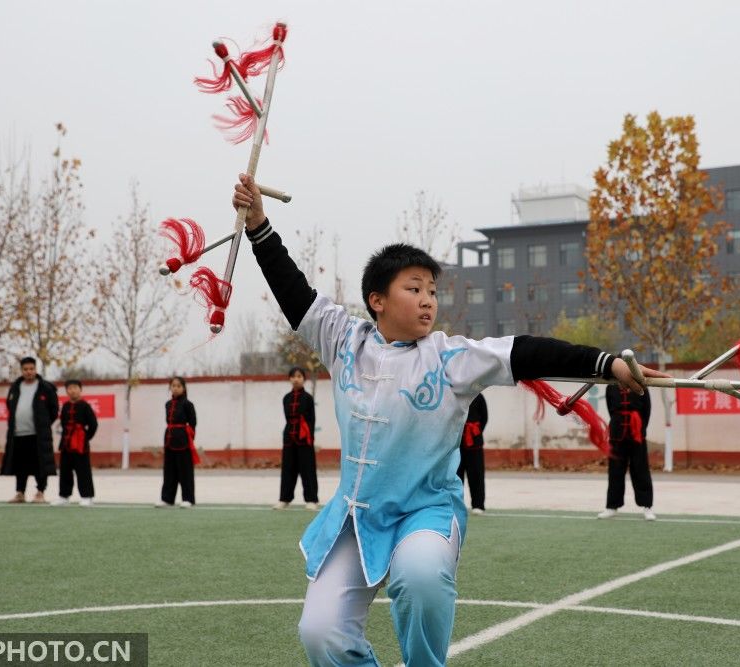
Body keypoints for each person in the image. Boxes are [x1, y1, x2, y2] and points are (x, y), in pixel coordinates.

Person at [232, 173, 665, 666]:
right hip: (357, 517)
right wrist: (259, 226)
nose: (428, 300)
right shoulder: (343, 340)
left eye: (432, 291)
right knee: (320, 631)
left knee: (419, 578)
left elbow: (527, 351)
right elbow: (293, 292)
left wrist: (606, 364)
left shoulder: (451, 357)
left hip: (426, 513)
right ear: (377, 300)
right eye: (413, 288)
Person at [0, 357, 58, 503]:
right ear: (21, 370)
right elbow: (10, 406)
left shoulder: (45, 387)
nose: (29, 372)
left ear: (35, 369)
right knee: (20, 465)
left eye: (31, 369)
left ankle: (40, 492)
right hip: (18, 434)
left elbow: (54, 410)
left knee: (40, 464)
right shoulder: (15, 387)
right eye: (25, 369)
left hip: (38, 435)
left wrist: (42, 424)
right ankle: (20, 493)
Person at [598, 384, 654, 521]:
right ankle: (612, 506)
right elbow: (611, 409)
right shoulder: (611, 386)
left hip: (637, 432)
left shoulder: (641, 386)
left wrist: (640, 428)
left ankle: (647, 506)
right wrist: (619, 422)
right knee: (615, 470)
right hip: (617, 433)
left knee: (641, 469)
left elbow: (647, 410)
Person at [274, 366, 319, 510]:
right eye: (293, 376)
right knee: (287, 469)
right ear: (289, 379)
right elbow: (288, 418)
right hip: (289, 438)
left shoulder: (308, 398)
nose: (296, 379)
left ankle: (311, 499)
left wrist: (310, 438)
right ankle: (284, 499)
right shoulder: (286, 398)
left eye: (299, 376)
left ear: (303, 379)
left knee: (308, 470)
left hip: (304, 439)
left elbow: (311, 420)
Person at [53, 380, 99, 507]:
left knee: (83, 471)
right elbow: (63, 423)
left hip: (80, 444)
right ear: (67, 390)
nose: (72, 390)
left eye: (75, 388)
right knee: (65, 470)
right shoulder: (66, 406)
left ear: (80, 389)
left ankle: (87, 496)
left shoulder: (85, 406)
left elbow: (93, 425)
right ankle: (64, 496)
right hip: (66, 443)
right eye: (70, 388)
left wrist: (85, 438)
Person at [157, 376, 198, 508]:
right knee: (169, 471)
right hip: (169, 439)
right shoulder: (167, 404)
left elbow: (193, 423)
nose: (175, 388)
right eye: (173, 386)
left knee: (185, 471)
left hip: (183, 441)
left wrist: (188, 438)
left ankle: (188, 498)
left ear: (184, 388)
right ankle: (167, 499)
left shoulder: (188, 404)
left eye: (178, 386)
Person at [456, 393, 488, 515]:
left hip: (474, 443)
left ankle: (478, 504)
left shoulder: (478, 397)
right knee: (455, 476)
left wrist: (475, 432)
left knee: (476, 474)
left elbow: (484, 418)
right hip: (455, 443)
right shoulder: (454, 396)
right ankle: (456, 504)